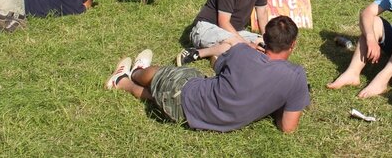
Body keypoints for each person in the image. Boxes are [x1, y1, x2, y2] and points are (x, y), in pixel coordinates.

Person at [106, 16, 310, 133]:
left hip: (187, 99)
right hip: (200, 119)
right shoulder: (296, 77)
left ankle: (133, 75)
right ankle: (124, 81)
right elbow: (288, 128)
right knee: (173, 89)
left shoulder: (243, 52)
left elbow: (216, 64)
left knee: (169, 74)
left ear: (263, 38)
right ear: (293, 45)